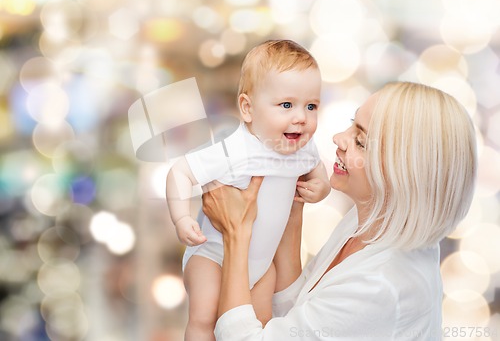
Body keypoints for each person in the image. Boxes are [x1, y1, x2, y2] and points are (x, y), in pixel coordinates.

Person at [202, 81, 478, 340]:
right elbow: (299, 311)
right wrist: (293, 212)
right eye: (351, 125)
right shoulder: (373, 220)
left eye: (361, 142)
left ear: (405, 175)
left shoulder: (380, 286)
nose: (338, 138)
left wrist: (236, 233)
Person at [166, 40, 331, 340]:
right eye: (286, 105)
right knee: (204, 319)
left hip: (261, 265)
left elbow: (318, 172)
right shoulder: (235, 150)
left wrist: (321, 188)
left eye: (311, 106)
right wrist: (181, 218)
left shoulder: (303, 150)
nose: (301, 117)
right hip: (214, 256)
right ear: (247, 109)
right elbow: (180, 171)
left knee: (261, 325)